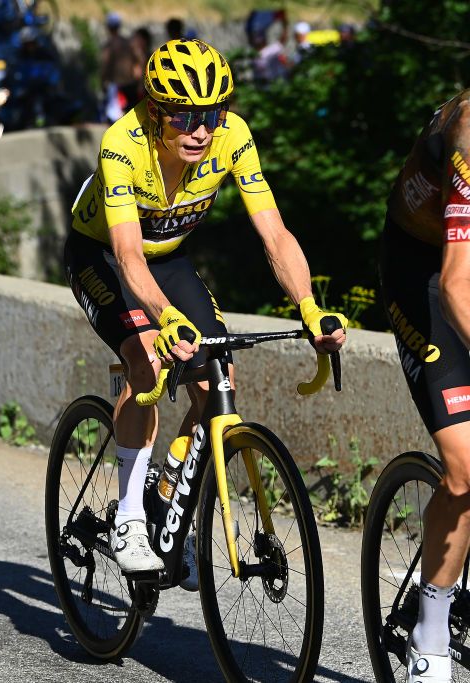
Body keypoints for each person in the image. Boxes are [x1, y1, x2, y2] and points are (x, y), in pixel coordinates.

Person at [64, 39, 346, 585]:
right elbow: (126, 255)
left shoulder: (232, 136)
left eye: (212, 113)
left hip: (170, 257)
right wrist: (164, 318)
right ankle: (127, 520)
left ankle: (169, 490)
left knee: (219, 378)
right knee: (145, 356)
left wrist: (310, 308)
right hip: (103, 256)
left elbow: (274, 233)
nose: (201, 129)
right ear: (154, 112)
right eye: (185, 115)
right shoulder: (122, 144)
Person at [379, 91, 470, 683]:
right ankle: (429, 633)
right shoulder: (469, 141)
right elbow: (458, 283)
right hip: (424, 274)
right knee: (466, 467)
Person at [100, 11, 135, 121]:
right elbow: (137, 62)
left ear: (109, 28)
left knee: (115, 118)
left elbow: (105, 65)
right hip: (130, 83)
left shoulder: (109, 45)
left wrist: (103, 81)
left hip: (115, 85)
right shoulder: (127, 43)